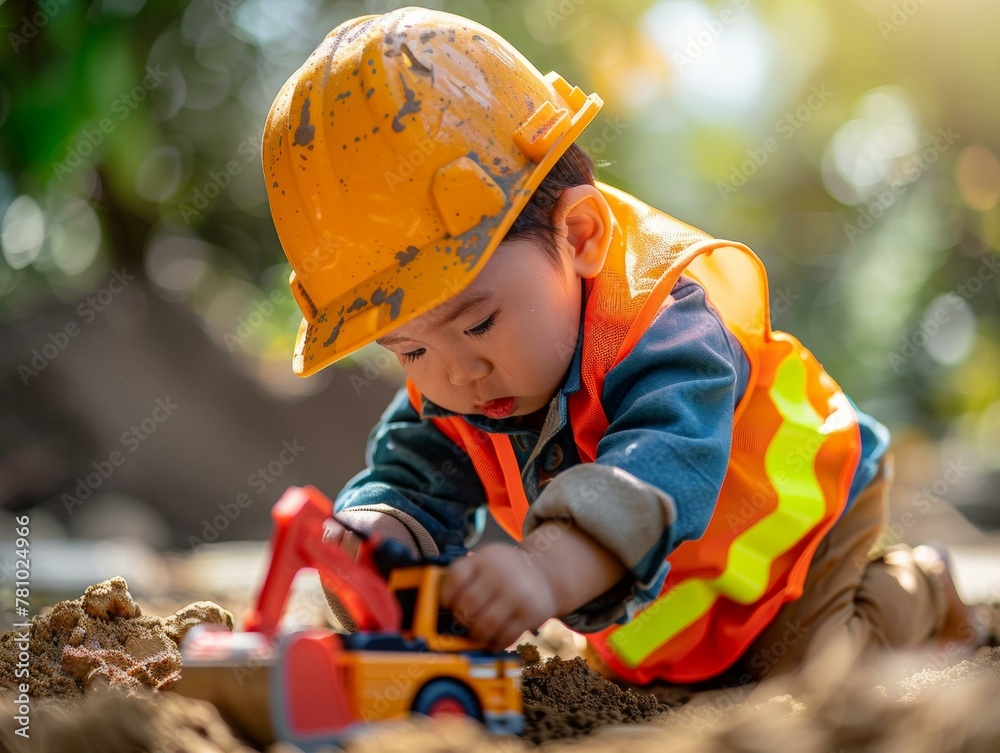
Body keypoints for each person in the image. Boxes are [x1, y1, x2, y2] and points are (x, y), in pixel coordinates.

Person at [260, 7, 992, 686]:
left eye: (479, 323)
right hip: (676, 588)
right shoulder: (463, 382)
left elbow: (665, 458)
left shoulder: (667, 328)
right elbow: (412, 470)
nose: (457, 370)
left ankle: (915, 588)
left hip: (799, 526)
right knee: (668, 674)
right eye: (408, 351)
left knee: (817, 672)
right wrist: (377, 535)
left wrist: (546, 574)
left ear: (579, 236)